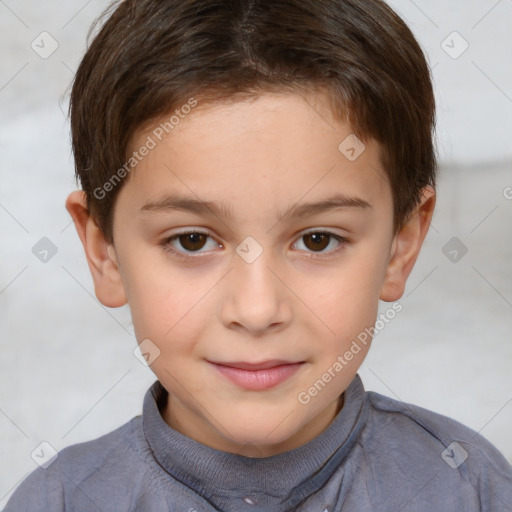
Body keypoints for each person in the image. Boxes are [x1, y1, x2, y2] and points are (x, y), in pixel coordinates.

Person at [6, 0, 512, 510]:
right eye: (192, 241)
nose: (257, 310)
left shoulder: (471, 489)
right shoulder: (59, 500)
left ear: (401, 245)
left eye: (318, 240)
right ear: (104, 253)